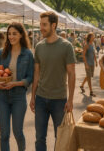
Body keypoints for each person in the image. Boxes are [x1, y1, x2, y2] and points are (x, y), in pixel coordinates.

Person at [30, 11, 76, 151]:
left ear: (53, 25)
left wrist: (71, 100)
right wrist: (32, 96)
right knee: (39, 138)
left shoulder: (66, 46)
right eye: (40, 24)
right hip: (41, 99)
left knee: (60, 137)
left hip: (59, 100)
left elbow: (71, 74)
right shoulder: (39, 46)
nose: (41, 28)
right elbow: (36, 74)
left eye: (44, 25)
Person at [0, 22, 34, 151]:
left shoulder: (28, 54)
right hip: (2, 97)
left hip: (18, 97)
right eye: (9, 34)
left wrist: (16, 83)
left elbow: (30, 77)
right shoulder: (1, 52)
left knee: (18, 132)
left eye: (14, 33)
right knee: (4, 134)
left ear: (21, 35)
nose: (11, 36)